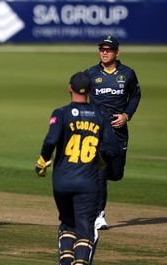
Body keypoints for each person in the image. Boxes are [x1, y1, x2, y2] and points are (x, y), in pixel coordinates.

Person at [34, 72, 120, 265]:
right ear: (91, 91)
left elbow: (50, 140)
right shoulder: (101, 115)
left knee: (67, 224)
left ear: (69, 89)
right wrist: (99, 160)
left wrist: (42, 162)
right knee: (85, 228)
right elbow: (113, 149)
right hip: (88, 183)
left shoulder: (61, 113)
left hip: (62, 182)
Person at [84, 36, 141, 230]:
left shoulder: (128, 73)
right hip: (97, 132)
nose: (105, 52)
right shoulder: (90, 73)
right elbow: (77, 92)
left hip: (118, 132)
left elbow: (135, 95)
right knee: (101, 172)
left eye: (109, 49)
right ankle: (99, 215)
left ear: (117, 52)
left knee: (115, 174)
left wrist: (127, 115)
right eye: (102, 49)